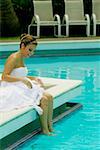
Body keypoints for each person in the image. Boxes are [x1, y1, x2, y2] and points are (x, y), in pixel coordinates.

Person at [0, 33, 53, 136]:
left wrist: (34, 78)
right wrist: (22, 80)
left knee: (49, 97)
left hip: (20, 86)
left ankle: (50, 126)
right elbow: (4, 76)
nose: (31, 53)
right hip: (13, 87)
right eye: (30, 50)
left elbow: (18, 73)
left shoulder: (21, 57)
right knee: (44, 100)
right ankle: (45, 130)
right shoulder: (14, 57)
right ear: (23, 46)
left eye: (33, 51)